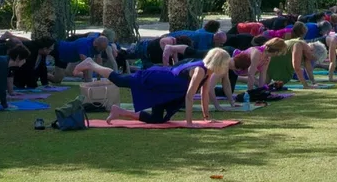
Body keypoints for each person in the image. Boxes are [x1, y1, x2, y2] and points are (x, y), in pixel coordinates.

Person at [71, 49, 234, 126]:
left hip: (166, 90)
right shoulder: (200, 70)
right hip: (157, 80)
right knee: (121, 81)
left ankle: (120, 112)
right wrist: (189, 122)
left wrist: (206, 117)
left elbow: (205, 93)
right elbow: (190, 96)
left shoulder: (208, 72)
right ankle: (91, 64)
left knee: (159, 119)